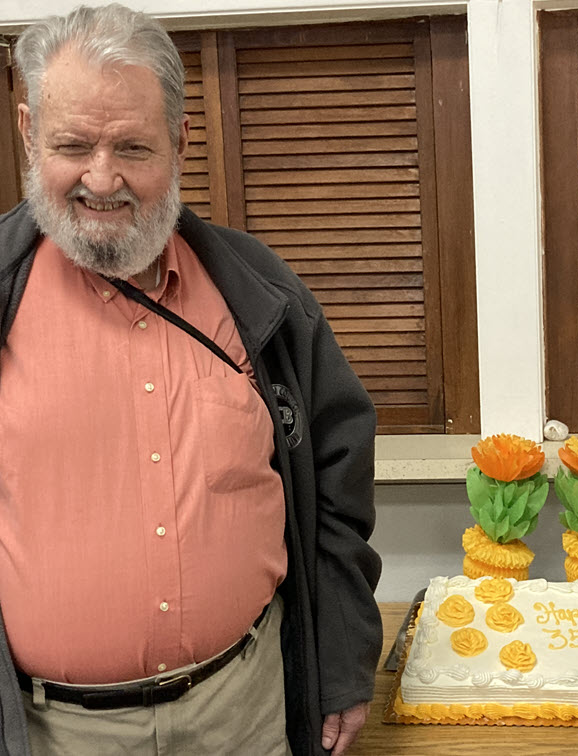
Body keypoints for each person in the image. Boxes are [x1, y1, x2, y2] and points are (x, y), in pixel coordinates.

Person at [0, 4, 382, 754]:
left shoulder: (261, 292)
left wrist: (341, 660)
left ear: (179, 141)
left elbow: (339, 488)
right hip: (52, 733)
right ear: (26, 132)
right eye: (73, 145)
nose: (100, 179)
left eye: (132, 148)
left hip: (248, 710)